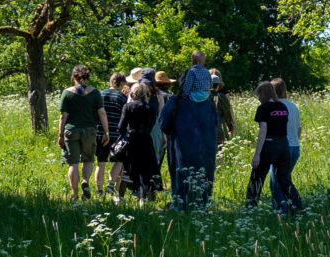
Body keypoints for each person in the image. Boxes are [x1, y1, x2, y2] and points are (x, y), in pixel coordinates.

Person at [160, 51, 232, 209]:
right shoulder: (209, 103)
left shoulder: (176, 102)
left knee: (182, 176)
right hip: (205, 150)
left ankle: (180, 205)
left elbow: (163, 123)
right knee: (204, 178)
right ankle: (202, 204)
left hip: (183, 150)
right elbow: (215, 123)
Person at [246, 78, 303, 212]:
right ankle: (298, 207)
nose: (258, 98)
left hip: (269, 146)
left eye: (259, 94)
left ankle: (250, 208)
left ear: (263, 94)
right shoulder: (283, 107)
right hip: (284, 146)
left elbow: (263, 130)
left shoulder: (263, 108)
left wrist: (257, 154)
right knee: (284, 179)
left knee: (257, 178)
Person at [57, 66, 108, 200]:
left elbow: (63, 116)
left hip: (72, 130)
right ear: (87, 77)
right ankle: (85, 181)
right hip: (89, 131)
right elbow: (102, 112)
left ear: (73, 77)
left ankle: (74, 194)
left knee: (73, 163)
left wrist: (60, 135)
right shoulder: (95, 92)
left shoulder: (67, 93)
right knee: (88, 159)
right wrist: (106, 132)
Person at [112, 74, 161, 202]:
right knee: (146, 170)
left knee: (126, 169)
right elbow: (151, 125)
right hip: (146, 140)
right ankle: (142, 199)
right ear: (145, 93)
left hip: (132, 140)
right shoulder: (150, 109)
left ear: (132, 93)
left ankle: (120, 197)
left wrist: (125, 134)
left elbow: (120, 127)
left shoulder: (128, 107)